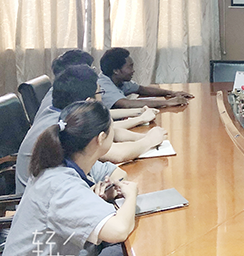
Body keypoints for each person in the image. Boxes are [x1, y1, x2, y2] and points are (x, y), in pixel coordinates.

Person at [0, 101, 161, 256]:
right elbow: (118, 231)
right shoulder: (60, 184)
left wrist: (97, 198)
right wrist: (131, 196)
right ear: (101, 138)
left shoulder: (63, 163)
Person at [15, 64, 166, 194]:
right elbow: (117, 154)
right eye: (100, 93)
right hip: (48, 205)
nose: (102, 99)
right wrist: (149, 140)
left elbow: (110, 134)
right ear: (89, 101)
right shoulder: (65, 129)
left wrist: (140, 130)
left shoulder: (61, 114)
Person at [39, 49, 159, 126]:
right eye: (89, 68)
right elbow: (102, 129)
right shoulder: (66, 99)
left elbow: (103, 115)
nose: (93, 72)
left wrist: (140, 112)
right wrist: (140, 119)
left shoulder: (63, 90)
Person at [98, 48, 193, 109]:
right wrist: (167, 102)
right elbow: (126, 104)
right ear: (116, 71)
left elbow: (142, 89)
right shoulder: (103, 85)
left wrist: (172, 93)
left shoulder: (119, 79)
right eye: (130, 67)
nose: (133, 71)